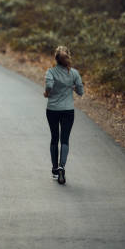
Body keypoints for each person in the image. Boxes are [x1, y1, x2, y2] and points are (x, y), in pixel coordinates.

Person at [44, 46, 84, 184]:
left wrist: (47, 93)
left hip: (53, 109)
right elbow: (81, 91)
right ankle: (62, 166)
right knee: (65, 139)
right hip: (68, 110)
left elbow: (49, 86)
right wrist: (73, 87)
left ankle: (55, 169)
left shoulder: (50, 72)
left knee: (54, 138)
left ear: (56, 59)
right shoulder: (74, 73)